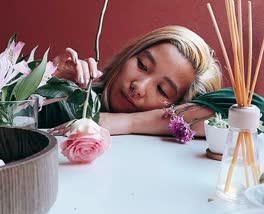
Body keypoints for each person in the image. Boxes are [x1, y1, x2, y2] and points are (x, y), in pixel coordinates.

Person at [45, 26, 223, 137]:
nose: (138, 87)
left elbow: (240, 109)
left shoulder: (167, 133)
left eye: (162, 90)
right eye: (142, 65)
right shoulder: (72, 98)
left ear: (180, 104)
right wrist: (44, 82)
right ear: (129, 55)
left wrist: (127, 122)